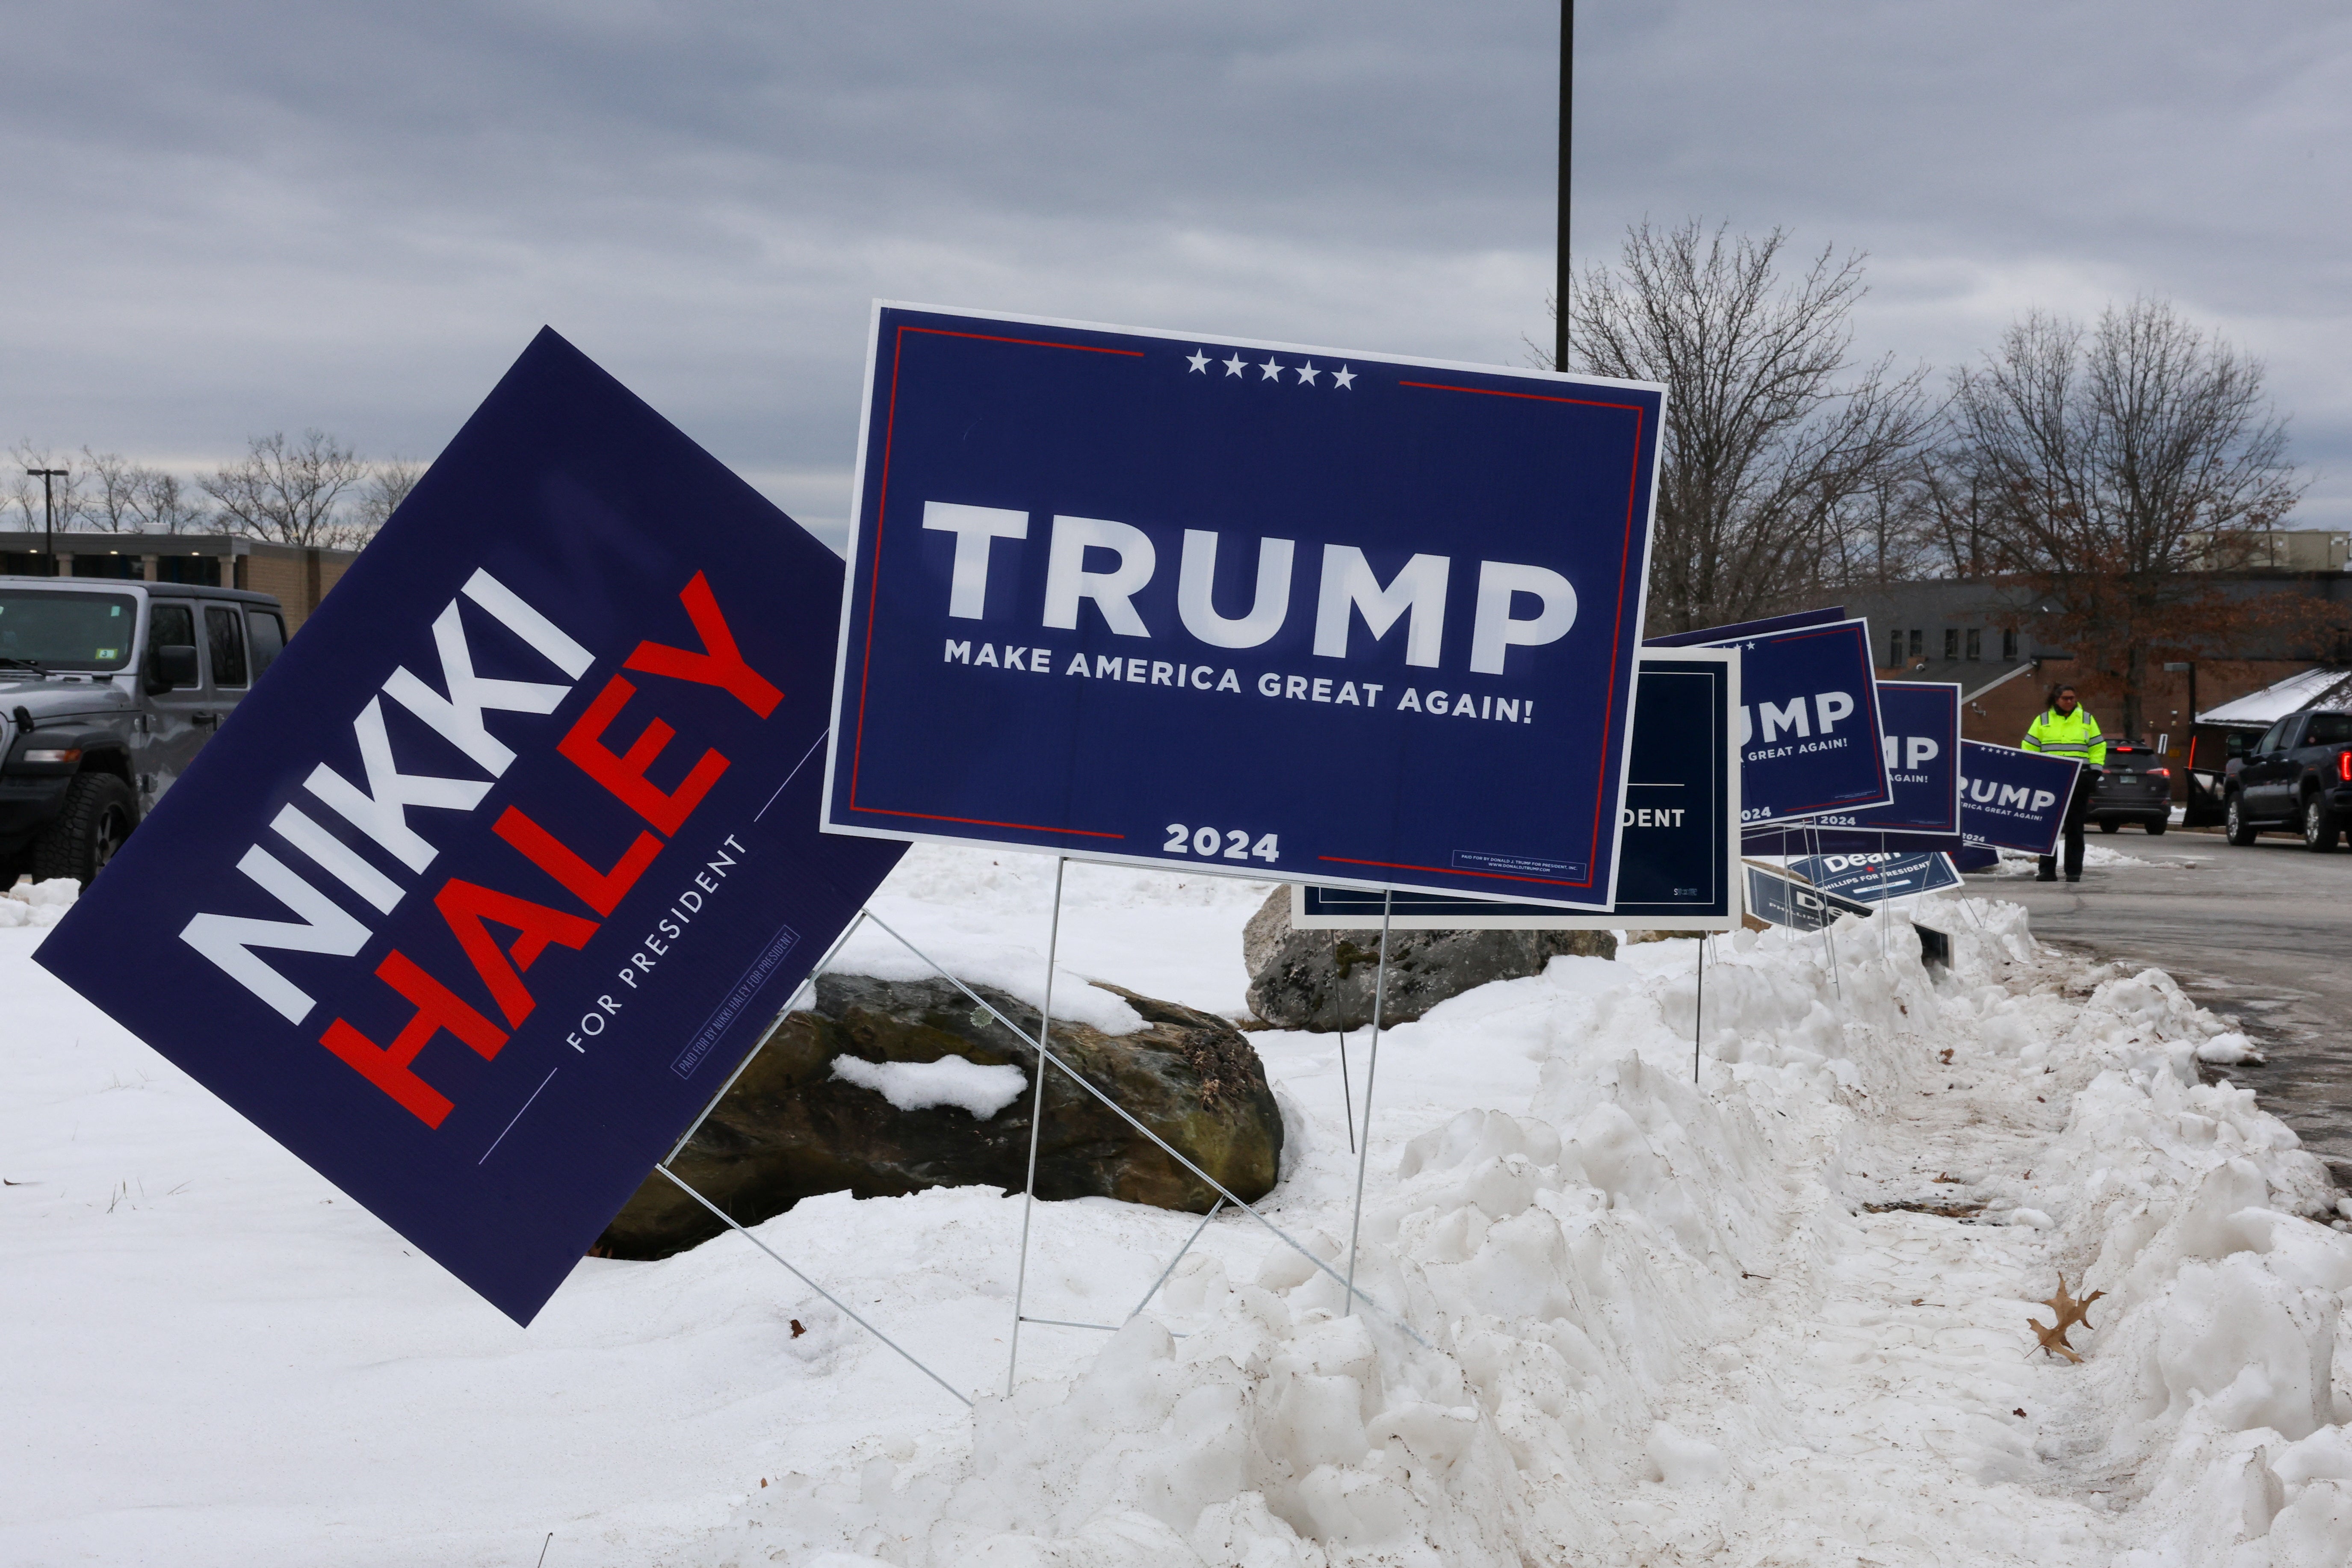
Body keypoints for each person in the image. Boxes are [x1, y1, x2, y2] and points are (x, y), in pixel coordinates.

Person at [2022, 683, 2105, 883]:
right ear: (2056, 700)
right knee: (2048, 828)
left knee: (2075, 827)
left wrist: (2094, 773)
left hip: (2079, 778)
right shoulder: (2042, 720)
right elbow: (2029, 747)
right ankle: (2047, 871)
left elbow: (2098, 747)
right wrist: (2034, 774)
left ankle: (2074, 871)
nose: (2070, 702)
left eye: (2073, 698)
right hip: (2050, 780)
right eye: (2066, 698)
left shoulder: (2087, 719)